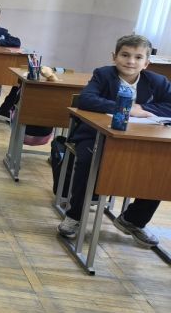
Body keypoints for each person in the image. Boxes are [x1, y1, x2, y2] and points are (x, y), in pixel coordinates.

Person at [57, 34, 171, 247]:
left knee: (162, 167)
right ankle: (75, 215)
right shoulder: (103, 75)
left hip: (141, 139)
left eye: (138, 57)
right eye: (125, 55)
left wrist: (143, 108)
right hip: (95, 134)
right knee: (88, 160)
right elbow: (87, 99)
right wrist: (126, 109)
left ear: (146, 63)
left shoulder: (158, 81)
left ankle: (133, 220)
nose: (131, 61)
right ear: (114, 57)